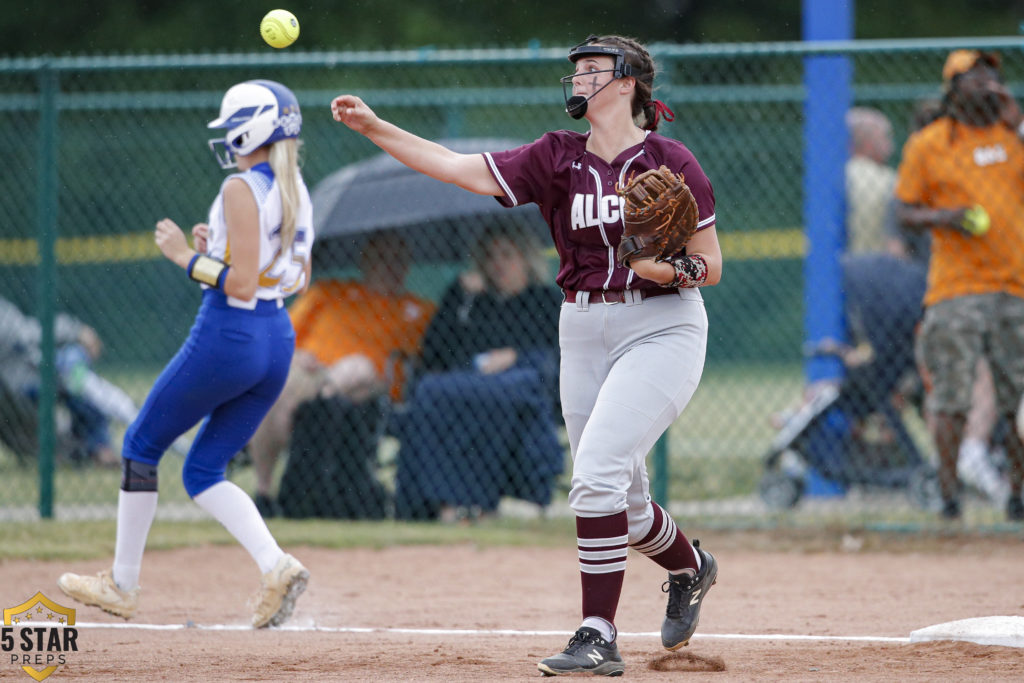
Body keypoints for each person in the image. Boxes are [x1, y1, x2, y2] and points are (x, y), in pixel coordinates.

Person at [331, 33, 723, 676]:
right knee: (619, 503)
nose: (577, 81)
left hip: (662, 328)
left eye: (592, 71)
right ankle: (689, 566)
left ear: (626, 84)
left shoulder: (670, 159)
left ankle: (597, 634)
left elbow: (709, 267)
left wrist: (657, 264)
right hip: (582, 326)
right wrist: (377, 128)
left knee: (594, 474)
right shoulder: (556, 158)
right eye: (575, 72)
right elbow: (456, 168)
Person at [57, 79, 315, 627]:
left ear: (256, 130)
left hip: (231, 333)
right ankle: (277, 566)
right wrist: (213, 250)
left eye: (234, 129)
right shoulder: (294, 186)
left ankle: (122, 584)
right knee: (202, 470)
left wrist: (181, 256)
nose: (228, 139)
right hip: (276, 338)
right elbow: (291, 274)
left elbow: (240, 285)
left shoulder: (241, 188)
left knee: (139, 443)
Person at [893, 49, 1024, 521]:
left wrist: (1018, 123)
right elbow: (904, 211)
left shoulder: (1014, 137)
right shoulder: (930, 143)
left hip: (1016, 286)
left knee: (1015, 401)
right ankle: (949, 497)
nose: (987, 80)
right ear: (953, 88)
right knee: (951, 399)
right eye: (974, 75)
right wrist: (945, 217)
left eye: (992, 72)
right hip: (955, 289)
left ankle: (1018, 496)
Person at [246, 231, 435, 518]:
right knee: (275, 382)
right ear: (364, 261)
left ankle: (308, 417)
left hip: (370, 382)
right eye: (382, 258)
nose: (391, 266)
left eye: (399, 259)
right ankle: (263, 492)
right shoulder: (328, 293)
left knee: (355, 367)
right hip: (308, 371)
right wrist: (295, 355)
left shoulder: (420, 310)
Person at [393, 225, 563, 522]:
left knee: (499, 393)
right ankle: (442, 503)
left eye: (507, 255)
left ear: (526, 259)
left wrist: (517, 356)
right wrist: (459, 297)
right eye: (490, 256)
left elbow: (560, 356)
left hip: (522, 383)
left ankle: (478, 502)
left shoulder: (546, 300)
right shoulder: (470, 301)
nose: (497, 264)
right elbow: (435, 352)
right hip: (467, 382)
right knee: (431, 390)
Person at [0, 296, 117, 466]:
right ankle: (95, 449)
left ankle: (96, 448)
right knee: (73, 377)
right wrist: (75, 330)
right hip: (20, 385)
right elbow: (27, 334)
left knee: (75, 374)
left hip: (25, 383)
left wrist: (75, 331)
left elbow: (26, 333)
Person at [845, 107, 897, 255]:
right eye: (885, 137)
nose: (890, 145)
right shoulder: (889, 179)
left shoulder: (837, 178)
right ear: (868, 143)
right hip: (880, 261)